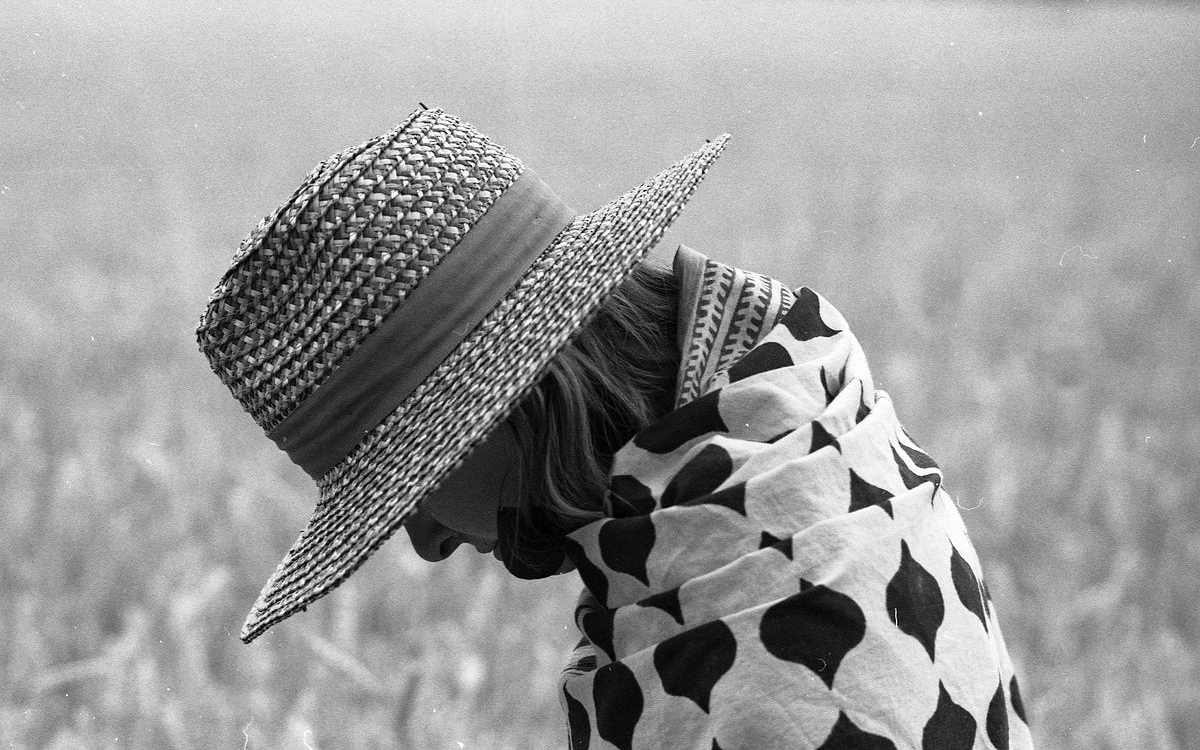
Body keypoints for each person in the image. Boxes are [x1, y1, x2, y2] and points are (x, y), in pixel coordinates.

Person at [197, 106, 1033, 748]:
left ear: (502, 407)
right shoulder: (819, 435)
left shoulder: (762, 649)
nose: (424, 540)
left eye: (406, 490)